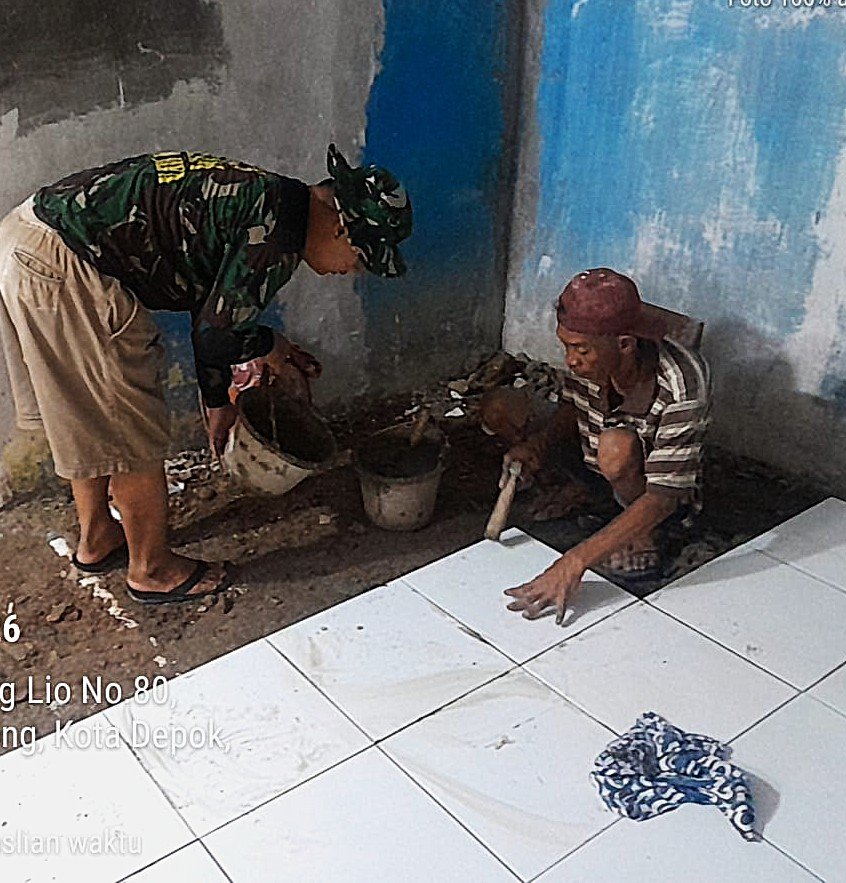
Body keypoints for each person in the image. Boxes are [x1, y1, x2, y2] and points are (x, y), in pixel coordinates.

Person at [0, 146, 412, 604]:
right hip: (65, 267)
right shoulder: (274, 236)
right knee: (128, 429)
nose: (347, 272)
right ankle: (152, 571)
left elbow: (211, 308)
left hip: (32, 239)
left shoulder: (271, 198)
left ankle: (98, 537)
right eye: (357, 259)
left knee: (93, 415)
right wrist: (257, 354)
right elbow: (217, 337)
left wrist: (221, 398)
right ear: (340, 228)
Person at [482, 268, 711, 623]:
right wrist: (537, 446)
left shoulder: (681, 385)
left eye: (580, 349)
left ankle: (644, 532)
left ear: (624, 344)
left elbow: (665, 496)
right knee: (500, 407)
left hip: (652, 490)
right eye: (565, 346)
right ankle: (589, 493)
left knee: (615, 450)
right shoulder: (590, 363)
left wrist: (573, 561)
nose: (570, 360)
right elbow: (571, 407)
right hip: (592, 461)